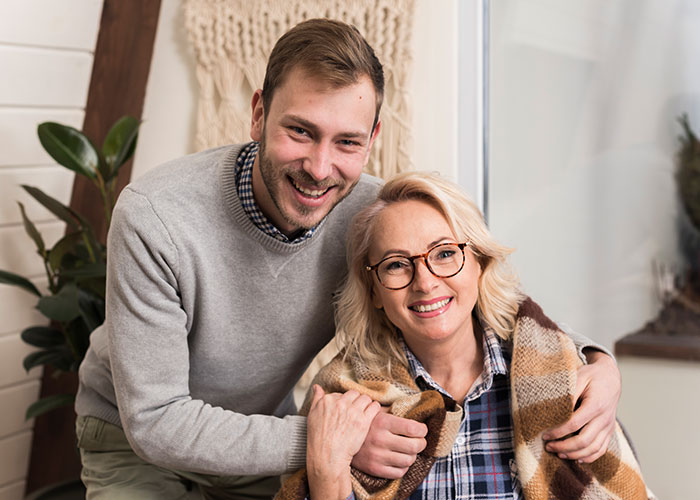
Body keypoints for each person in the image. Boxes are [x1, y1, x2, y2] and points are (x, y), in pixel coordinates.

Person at [74, 18, 621, 499]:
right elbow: (155, 420)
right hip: (133, 440)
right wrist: (334, 439)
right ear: (259, 114)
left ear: (373, 138)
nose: (320, 167)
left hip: (259, 429)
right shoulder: (156, 216)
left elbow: (471, 292)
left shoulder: (370, 215)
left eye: (347, 142)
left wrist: (596, 362)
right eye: (300, 131)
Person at [290, 172, 652, 500]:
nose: (426, 282)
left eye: (446, 254)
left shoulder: (558, 377)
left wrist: (604, 363)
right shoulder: (342, 399)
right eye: (397, 264)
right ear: (374, 291)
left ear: (479, 262)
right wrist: (327, 470)